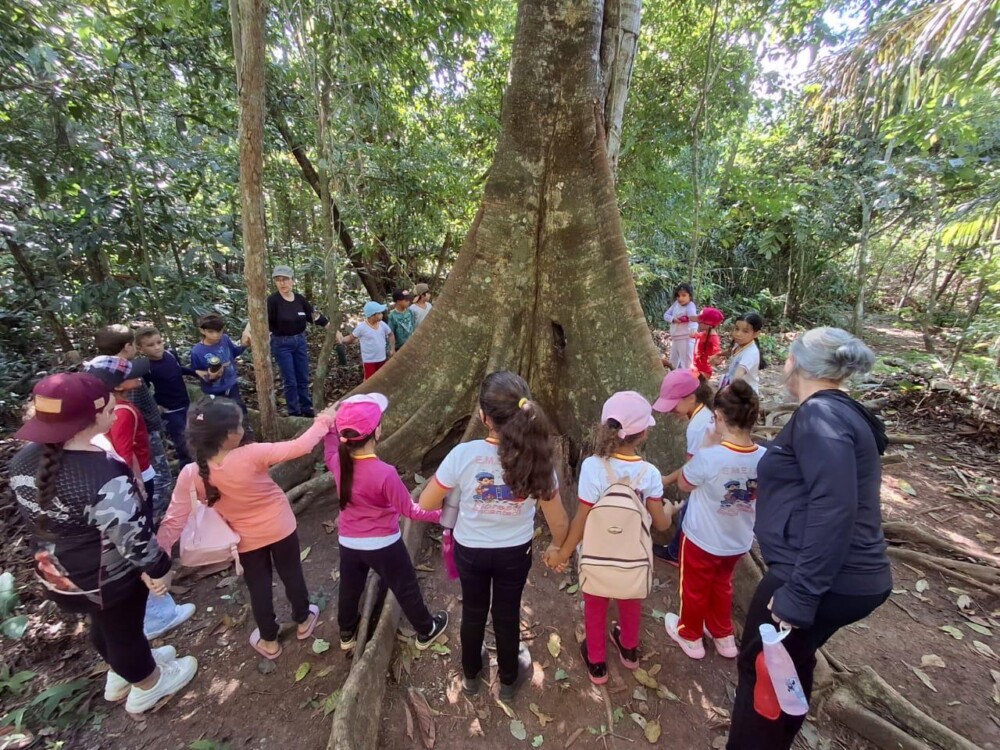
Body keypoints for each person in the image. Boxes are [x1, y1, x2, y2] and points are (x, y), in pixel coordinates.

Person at [727, 328, 891, 750]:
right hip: (844, 576)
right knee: (790, 665)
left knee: (761, 670)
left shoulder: (821, 416)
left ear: (795, 364)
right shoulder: (839, 412)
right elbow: (807, 469)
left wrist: (799, 594)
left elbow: (834, 506)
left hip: (814, 576)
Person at [9, 373, 198, 715]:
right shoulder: (102, 474)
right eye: (110, 409)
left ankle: (121, 673)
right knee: (123, 629)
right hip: (107, 576)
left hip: (60, 572)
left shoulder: (22, 460)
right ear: (90, 419)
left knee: (106, 626)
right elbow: (133, 535)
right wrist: (159, 569)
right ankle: (148, 683)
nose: (116, 412)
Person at [418, 372, 570, 701]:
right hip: (514, 553)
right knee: (507, 611)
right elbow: (558, 521)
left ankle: (471, 675)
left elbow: (426, 501)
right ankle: (508, 679)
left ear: (484, 417)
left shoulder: (463, 455)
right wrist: (559, 548)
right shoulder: (539, 459)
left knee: (473, 610)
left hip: (470, 549)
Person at [157, 397, 336, 659]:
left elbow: (173, 520)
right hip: (281, 527)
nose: (243, 429)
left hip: (244, 540)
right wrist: (325, 420)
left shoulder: (190, 474)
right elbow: (301, 446)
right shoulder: (252, 454)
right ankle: (303, 619)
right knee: (291, 573)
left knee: (258, 586)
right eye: (239, 425)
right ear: (228, 435)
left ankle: (269, 640)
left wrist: (157, 561)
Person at [548, 392, 671, 685]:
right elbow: (662, 524)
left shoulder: (592, 467)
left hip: (597, 553)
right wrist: (668, 510)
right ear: (642, 434)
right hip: (634, 555)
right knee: (631, 598)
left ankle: (597, 662)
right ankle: (629, 649)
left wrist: (563, 554)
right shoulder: (650, 474)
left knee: (595, 603)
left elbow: (582, 518)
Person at [82, 356, 197, 641]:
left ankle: (158, 607)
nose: (140, 378)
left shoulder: (114, 409)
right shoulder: (122, 412)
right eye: (133, 375)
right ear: (117, 386)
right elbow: (121, 453)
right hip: (132, 482)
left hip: (127, 483)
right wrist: (135, 486)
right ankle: (159, 612)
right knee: (140, 537)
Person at [323, 393, 448, 652]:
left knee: (350, 587)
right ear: (377, 432)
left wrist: (327, 426)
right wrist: (441, 515)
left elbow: (330, 447)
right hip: (384, 544)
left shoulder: (338, 462)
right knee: (405, 586)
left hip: (349, 542)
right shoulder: (385, 473)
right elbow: (411, 511)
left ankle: (347, 632)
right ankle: (426, 630)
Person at [662, 381, 765, 660]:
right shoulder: (765, 457)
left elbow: (684, 484)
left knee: (693, 588)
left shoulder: (710, 457)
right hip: (737, 541)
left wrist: (706, 446)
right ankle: (723, 636)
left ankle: (690, 634)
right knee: (722, 584)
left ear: (719, 418)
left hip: (702, 538)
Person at [96, 325, 173, 518]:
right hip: (142, 442)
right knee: (161, 478)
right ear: (128, 346)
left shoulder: (102, 369)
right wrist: (135, 479)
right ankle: (153, 518)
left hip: (143, 438)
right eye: (134, 375)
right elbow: (125, 450)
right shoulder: (123, 407)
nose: (138, 376)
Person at [650, 369, 716, 566]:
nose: (670, 411)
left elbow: (691, 468)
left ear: (691, 398)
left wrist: (666, 480)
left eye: (673, 405)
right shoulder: (709, 414)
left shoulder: (697, 426)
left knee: (689, 514)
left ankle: (677, 553)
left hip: (704, 483)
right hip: (714, 478)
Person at [267, 265, 330, 418]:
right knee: (290, 380)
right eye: (278, 280)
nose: (282, 283)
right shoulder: (272, 301)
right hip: (282, 343)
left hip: (299, 341)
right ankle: (294, 412)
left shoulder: (300, 299)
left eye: (285, 280)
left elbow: (313, 316)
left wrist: (331, 328)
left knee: (303, 376)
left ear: (292, 281)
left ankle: (307, 408)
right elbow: (264, 322)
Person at [135, 326, 195, 467]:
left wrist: (197, 373)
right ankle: (186, 470)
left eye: (159, 342)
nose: (157, 347)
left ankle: (201, 468)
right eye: (150, 345)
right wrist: (155, 406)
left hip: (186, 404)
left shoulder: (171, 354)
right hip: (169, 410)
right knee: (182, 442)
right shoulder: (146, 368)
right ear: (140, 348)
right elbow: (144, 390)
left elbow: (178, 370)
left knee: (195, 435)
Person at [190, 313, 254, 439]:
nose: (216, 335)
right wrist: (210, 376)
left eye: (219, 331)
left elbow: (234, 352)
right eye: (211, 332)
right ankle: (226, 439)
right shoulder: (197, 351)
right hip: (214, 390)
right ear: (202, 330)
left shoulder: (224, 339)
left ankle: (246, 434)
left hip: (231, 384)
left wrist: (244, 345)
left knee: (239, 409)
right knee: (221, 416)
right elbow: (196, 371)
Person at [337, 301, 395, 381]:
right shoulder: (362, 328)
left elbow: (391, 334)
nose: (382, 314)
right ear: (372, 315)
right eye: (379, 313)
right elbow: (351, 337)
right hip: (369, 360)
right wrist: (341, 340)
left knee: (381, 379)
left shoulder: (382, 324)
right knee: (369, 381)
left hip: (382, 358)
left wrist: (392, 349)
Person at [716, 312, 765, 394]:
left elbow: (739, 374)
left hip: (744, 395)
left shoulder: (750, 353)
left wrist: (728, 391)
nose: (738, 334)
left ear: (756, 334)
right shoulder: (740, 343)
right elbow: (731, 351)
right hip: (735, 386)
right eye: (736, 329)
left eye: (745, 331)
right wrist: (718, 355)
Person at [663, 283, 698, 371]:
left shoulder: (690, 306)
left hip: (685, 338)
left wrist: (692, 333)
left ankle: (686, 382)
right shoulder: (676, 304)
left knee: (686, 364)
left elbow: (693, 320)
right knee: (673, 362)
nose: (680, 298)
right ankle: (673, 380)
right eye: (678, 296)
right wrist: (673, 319)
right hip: (676, 338)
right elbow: (666, 315)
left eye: (684, 295)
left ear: (690, 296)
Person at [692, 307, 724, 379]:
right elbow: (699, 336)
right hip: (695, 366)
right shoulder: (704, 333)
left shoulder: (713, 338)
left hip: (703, 370)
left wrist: (717, 358)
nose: (698, 322)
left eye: (701, 321)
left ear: (708, 324)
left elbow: (717, 352)